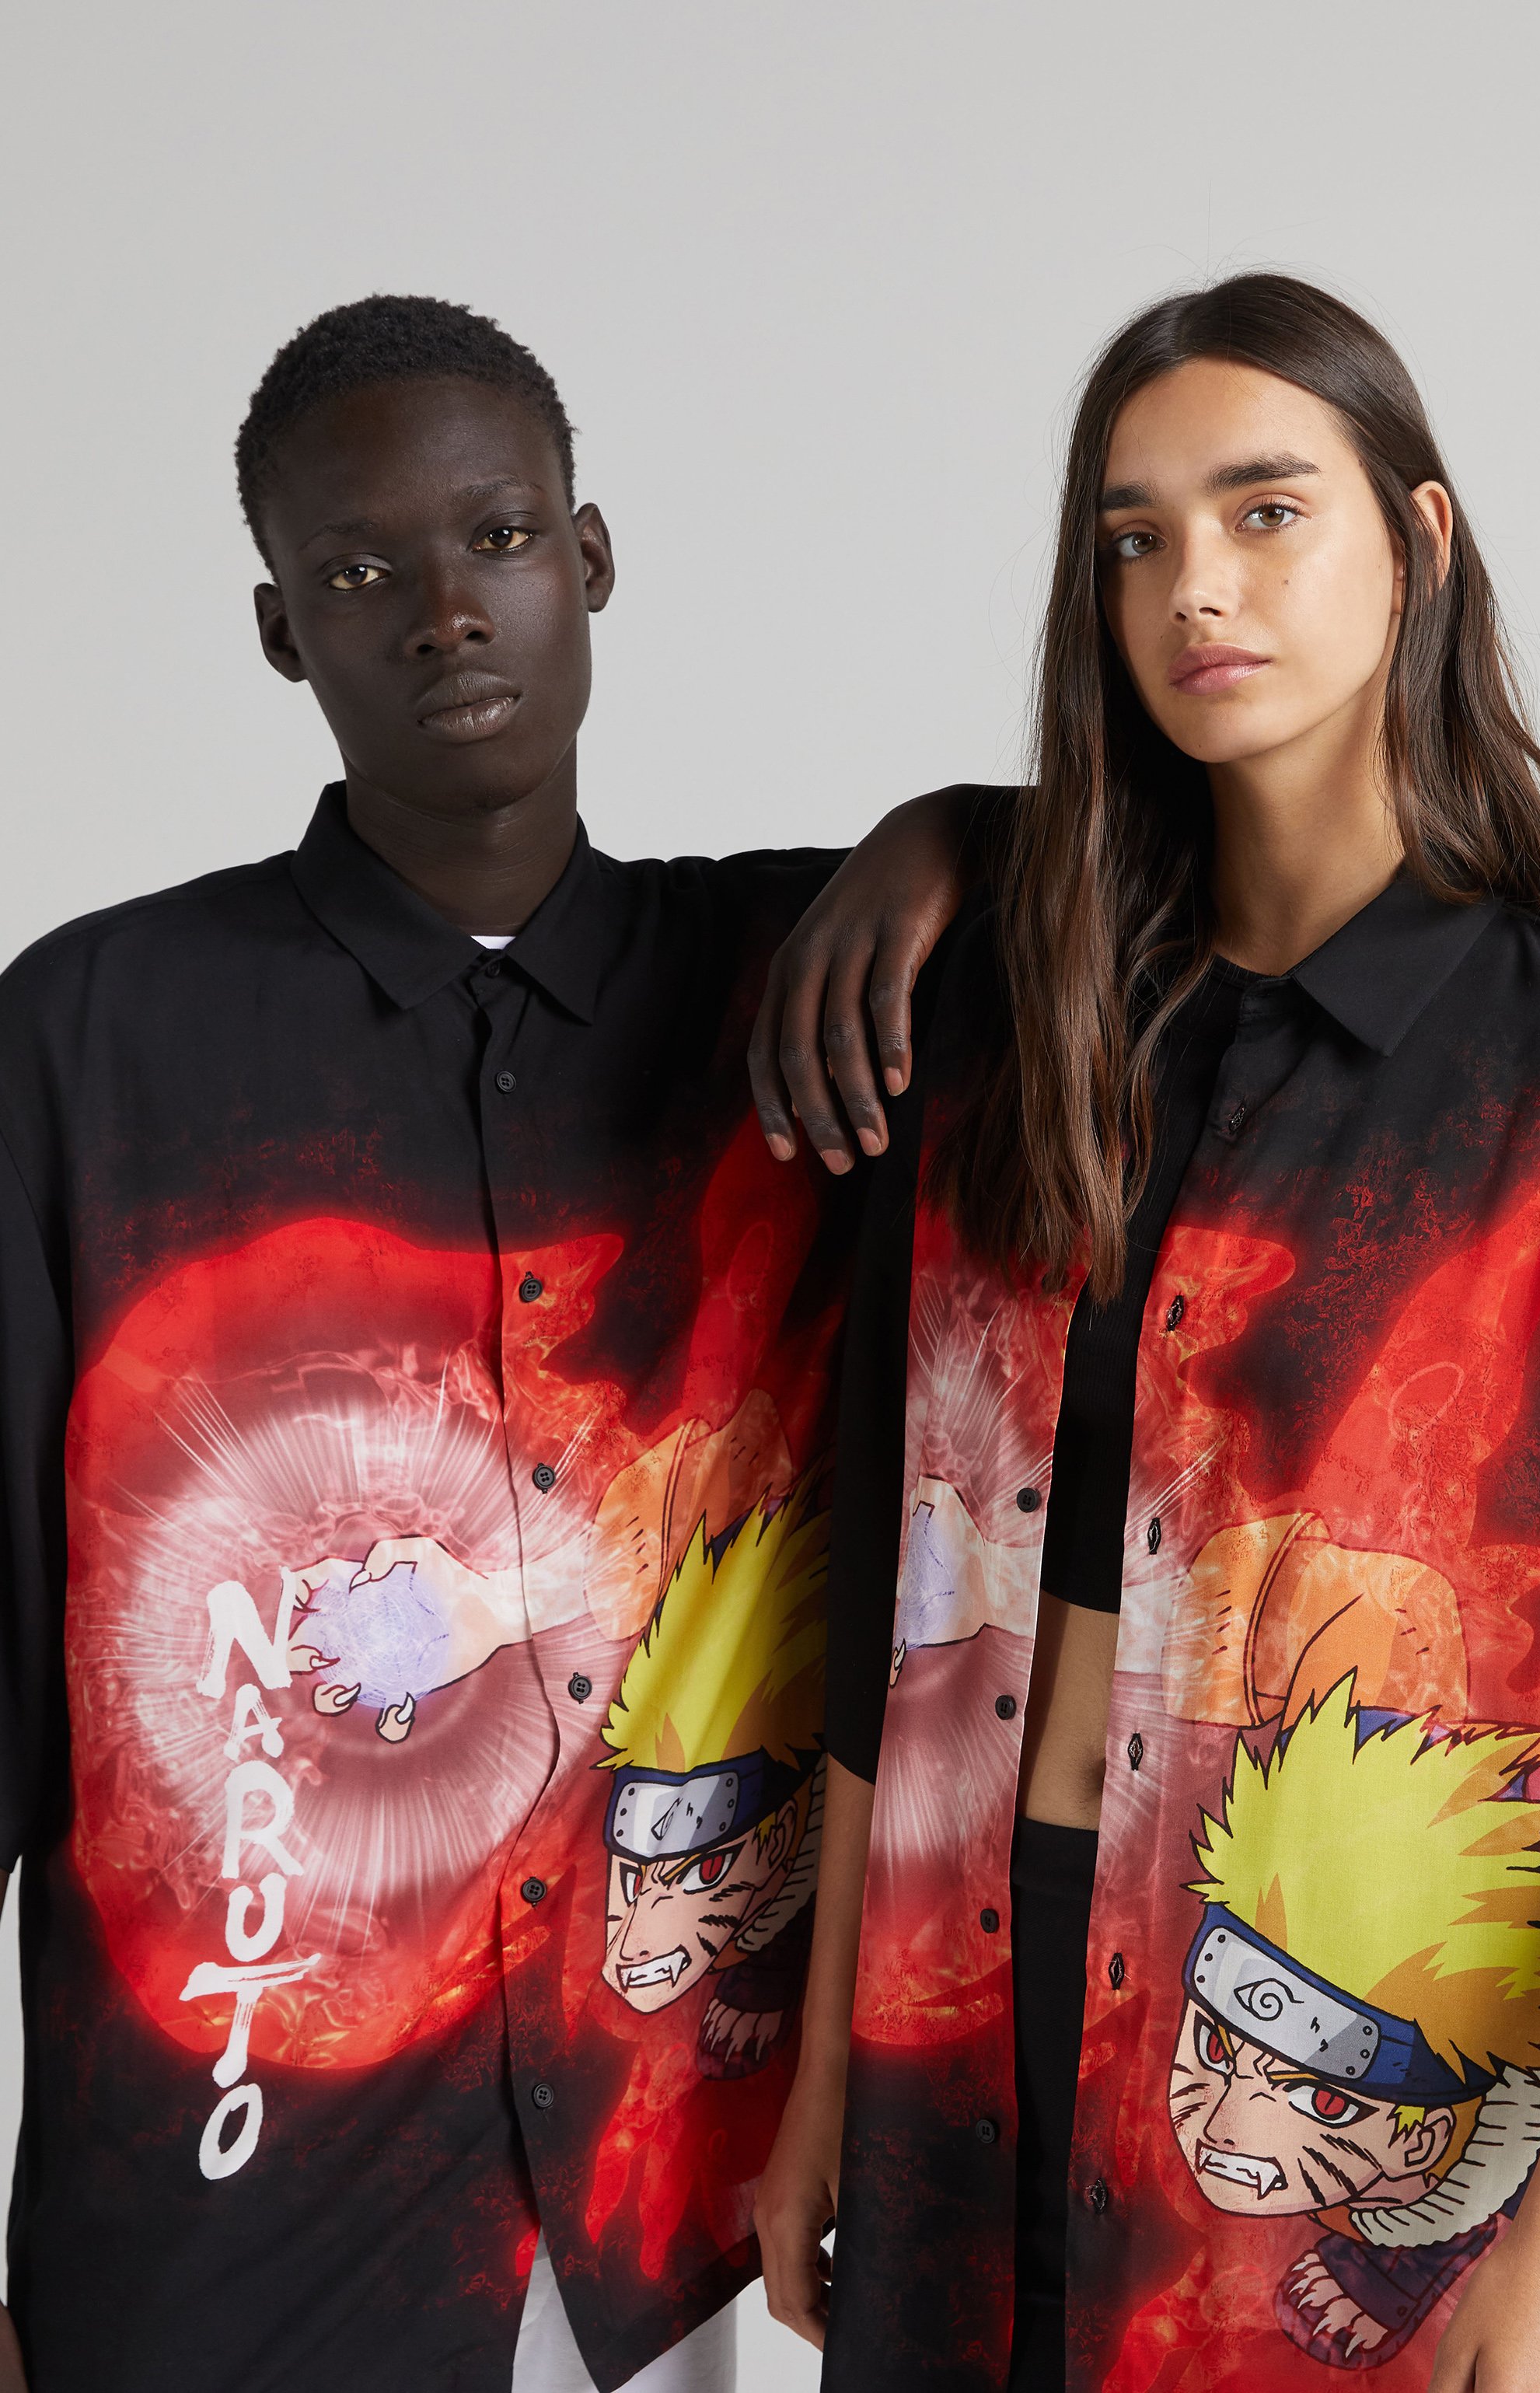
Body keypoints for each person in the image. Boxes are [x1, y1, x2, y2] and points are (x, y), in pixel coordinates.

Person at [0, 294, 970, 2393]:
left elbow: (1188, 882)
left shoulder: (801, 984)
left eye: (500, 537)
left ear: (588, 558)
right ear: (283, 632)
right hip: (229, 2227)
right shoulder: (88, 1039)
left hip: (655, 2209)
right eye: (361, 572)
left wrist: (956, 832)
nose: (445, 609)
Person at [753, 271, 1540, 2391]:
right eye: (1133, 537)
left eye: (1265, 512)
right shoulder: (1002, 1031)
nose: (1195, 590)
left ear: (1417, 542)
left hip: (1326, 2125)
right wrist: (823, 2075)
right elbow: (882, 1582)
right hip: (956, 2040)